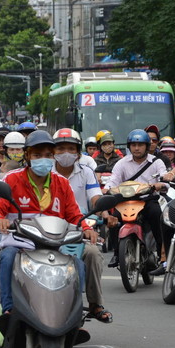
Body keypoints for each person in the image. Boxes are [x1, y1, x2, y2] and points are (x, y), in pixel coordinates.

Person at [0, 130, 96, 323]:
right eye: (37, 155)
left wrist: (86, 228)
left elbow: (74, 214)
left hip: (53, 244)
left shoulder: (61, 183)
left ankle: (74, 318)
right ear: (27, 156)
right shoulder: (12, 179)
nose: (43, 160)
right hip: (19, 243)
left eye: (47, 155)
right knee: (7, 257)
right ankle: (8, 310)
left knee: (77, 265)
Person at [52, 128, 112, 323]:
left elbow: (95, 197)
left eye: (70, 149)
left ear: (78, 152)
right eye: (60, 149)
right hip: (47, 231)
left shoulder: (86, 172)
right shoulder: (44, 173)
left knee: (93, 254)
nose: (65, 153)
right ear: (52, 151)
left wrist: (104, 211)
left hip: (79, 229)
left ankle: (95, 304)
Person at [105, 129, 169, 272]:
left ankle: (162, 255)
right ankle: (116, 253)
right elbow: (113, 180)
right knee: (113, 219)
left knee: (156, 214)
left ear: (147, 146)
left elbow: (165, 178)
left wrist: (161, 184)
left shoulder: (156, 162)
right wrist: (107, 189)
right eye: (133, 145)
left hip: (148, 200)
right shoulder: (122, 163)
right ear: (129, 147)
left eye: (140, 145)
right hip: (126, 201)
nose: (137, 148)